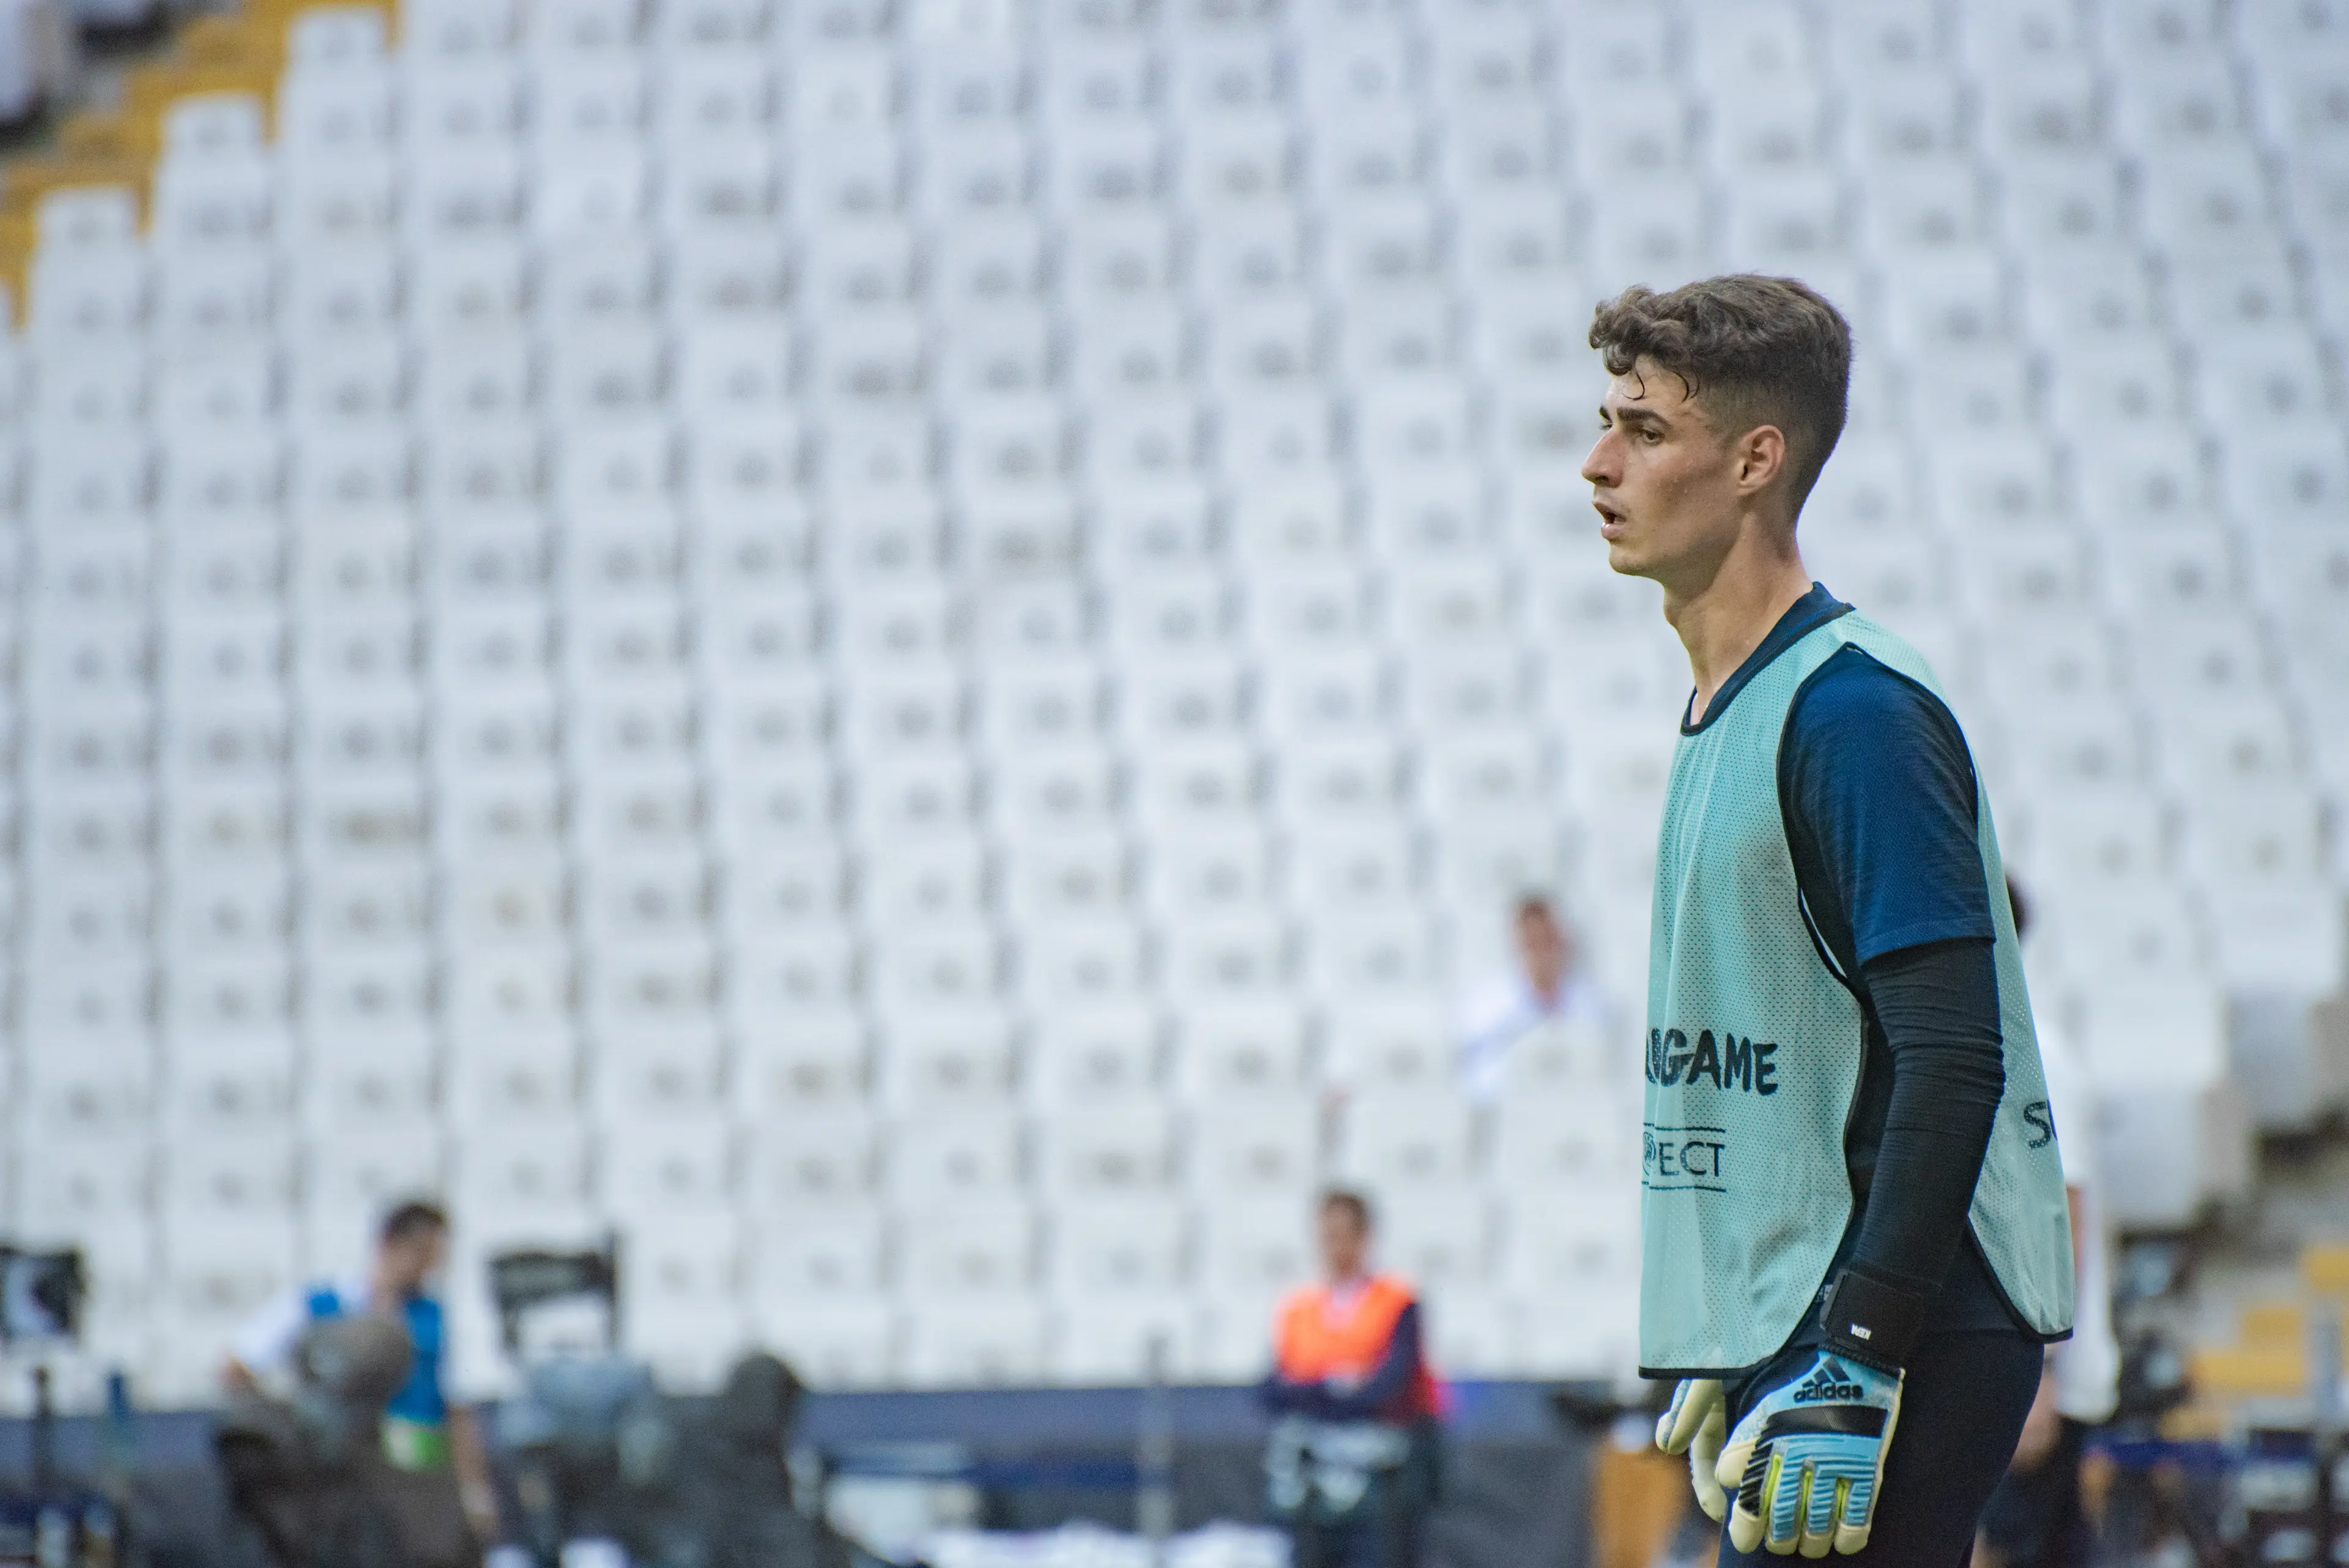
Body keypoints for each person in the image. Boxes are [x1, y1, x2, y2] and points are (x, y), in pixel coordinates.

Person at [1581, 277, 2075, 1564]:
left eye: (1641, 430)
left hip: (1902, 1333)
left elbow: (1956, 1056)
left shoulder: (1853, 716)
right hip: (1819, 1316)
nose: (1596, 464)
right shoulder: (1731, 707)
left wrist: (1853, 1349)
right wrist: (1752, 1313)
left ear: (1756, 460)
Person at [1975, 880, 2118, 1568]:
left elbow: (2064, 1214)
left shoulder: (2039, 1060)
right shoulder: (1997, 1052)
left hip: (2028, 1372)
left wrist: (2041, 1369)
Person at [227, 1200, 498, 1564]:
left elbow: (458, 1408)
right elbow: (238, 1365)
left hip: (420, 1485)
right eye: (421, 1252)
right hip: (339, 1485)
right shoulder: (320, 1305)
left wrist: (474, 1492)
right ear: (390, 1244)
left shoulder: (434, 1317)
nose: (428, 1266)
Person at [1260, 1190, 1442, 1568]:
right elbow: (1272, 1389)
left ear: (1364, 1237)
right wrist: (1336, 1387)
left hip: (1382, 1474)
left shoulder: (1395, 1301)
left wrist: (1319, 1392)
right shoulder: (1299, 1309)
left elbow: (1389, 1385)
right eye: (1328, 1236)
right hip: (1314, 1473)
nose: (1336, 1247)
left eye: (1345, 1235)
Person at [1454, 894, 1612, 1104]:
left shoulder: (1592, 1002)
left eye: (1547, 940)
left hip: (1576, 1104)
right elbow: (1476, 1074)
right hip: (1508, 1108)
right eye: (1532, 941)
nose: (1541, 951)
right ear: (1518, 943)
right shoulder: (1485, 1004)